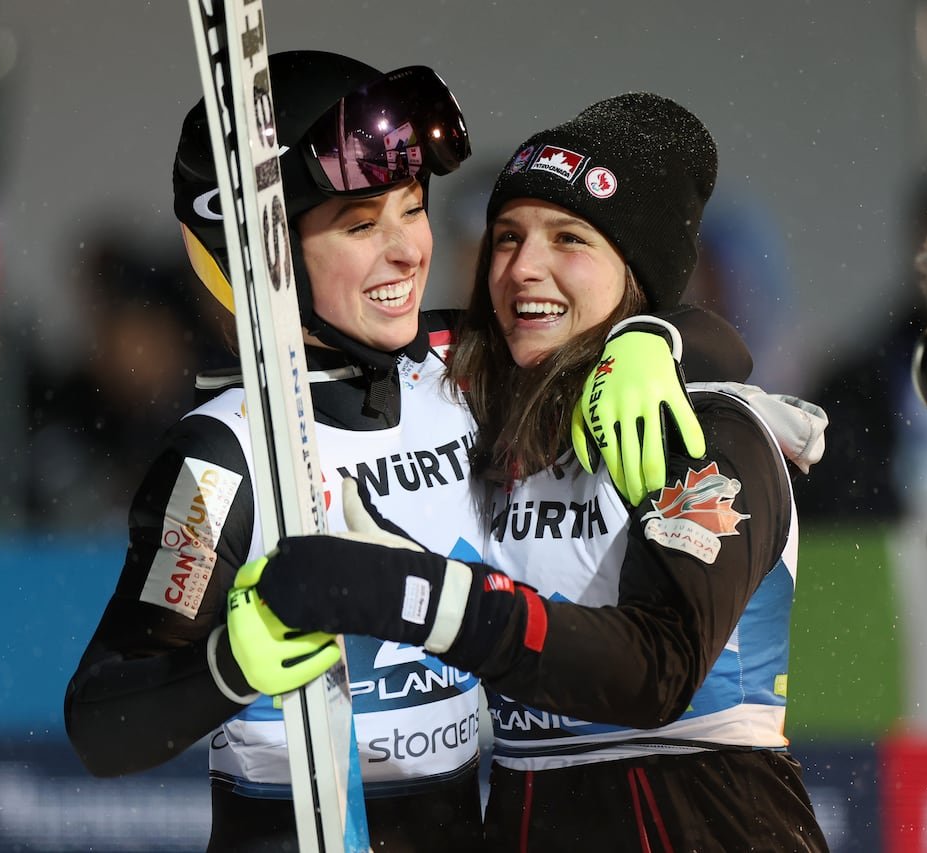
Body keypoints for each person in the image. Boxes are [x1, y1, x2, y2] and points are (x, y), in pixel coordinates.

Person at [64, 53, 700, 852]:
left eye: (412, 209)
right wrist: (230, 668)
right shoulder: (222, 458)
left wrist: (654, 337)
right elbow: (101, 721)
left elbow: (630, 319)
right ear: (263, 260)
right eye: (362, 225)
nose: (407, 251)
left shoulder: (462, 369)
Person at [248, 92, 831, 850]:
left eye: (569, 239)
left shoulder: (707, 426)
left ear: (637, 270)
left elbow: (659, 671)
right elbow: (342, 332)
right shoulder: (482, 407)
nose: (525, 268)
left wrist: (423, 598)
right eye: (507, 238)